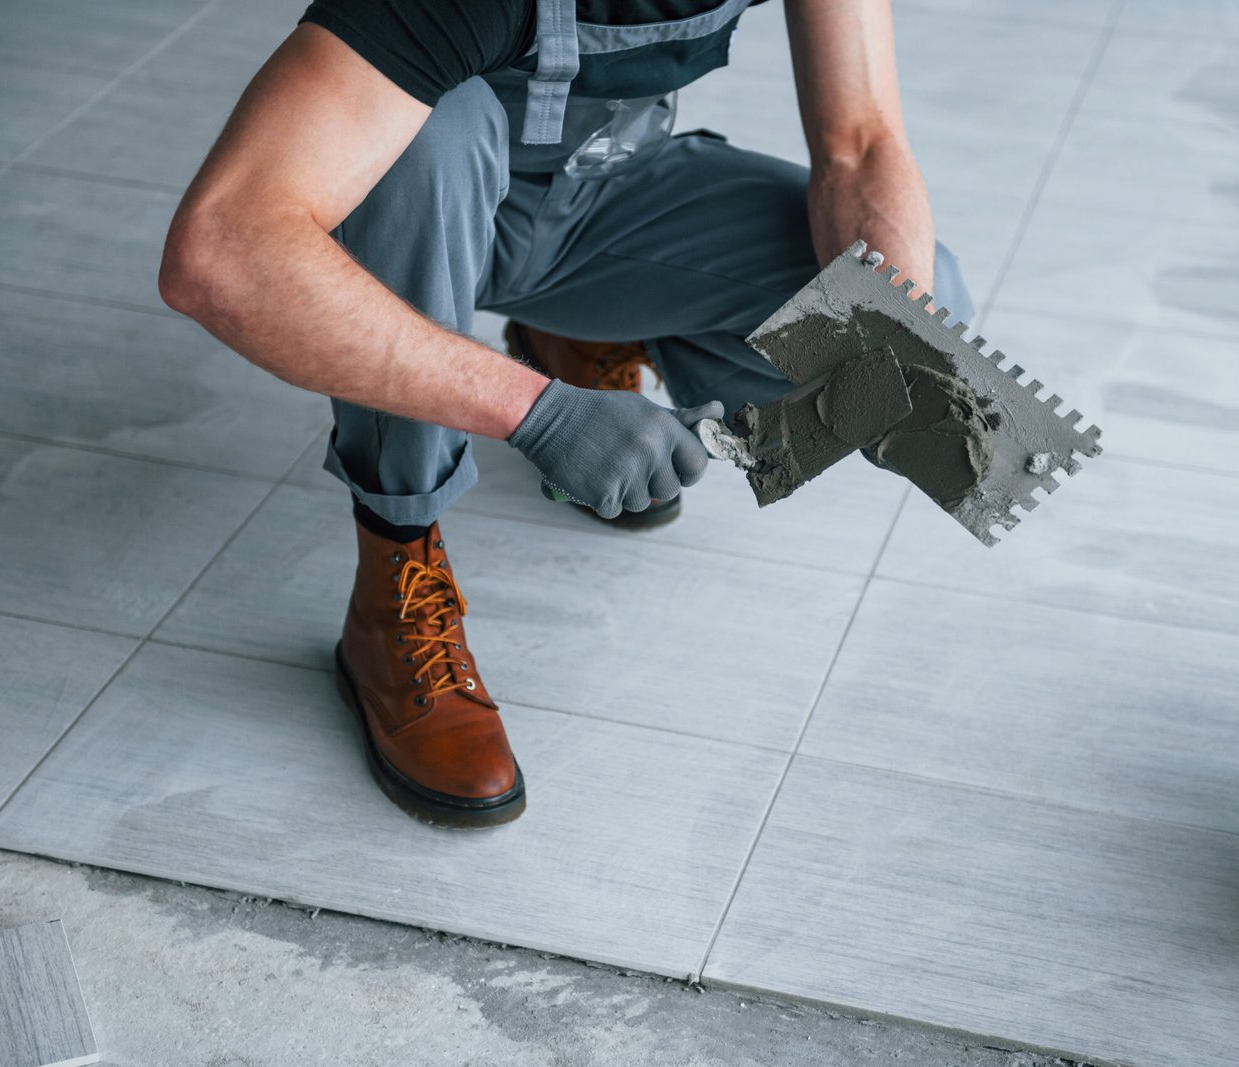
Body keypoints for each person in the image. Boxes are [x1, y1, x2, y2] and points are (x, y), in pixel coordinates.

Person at [158, 0, 974, 828]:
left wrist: (887, 348)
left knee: (916, 294)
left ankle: (574, 330)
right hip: (425, 199)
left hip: (603, 191)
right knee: (433, 130)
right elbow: (221, 251)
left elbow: (861, 142)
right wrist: (540, 415)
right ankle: (393, 573)